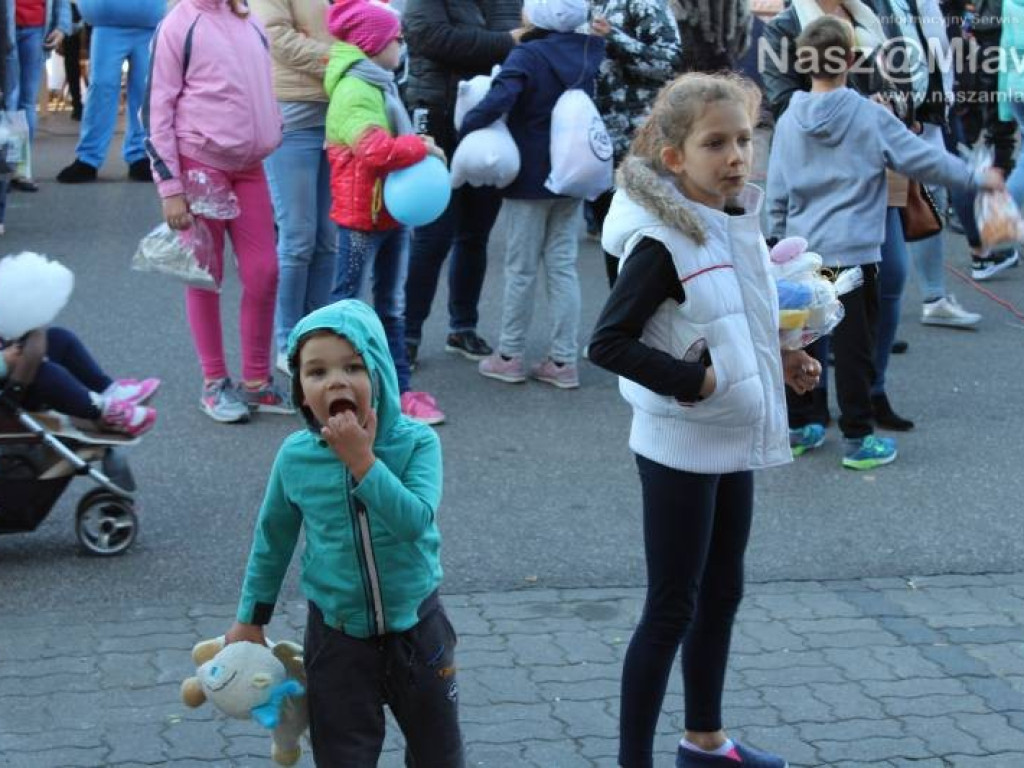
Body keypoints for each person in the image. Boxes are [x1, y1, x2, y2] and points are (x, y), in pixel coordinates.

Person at [589, 71, 820, 768]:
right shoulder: (661, 240)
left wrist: (782, 357)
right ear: (674, 158)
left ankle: (705, 740)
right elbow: (609, 343)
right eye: (716, 143)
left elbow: (727, 315)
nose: (736, 157)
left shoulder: (729, 219)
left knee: (723, 592)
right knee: (670, 609)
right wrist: (696, 380)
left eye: (744, 140)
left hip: (729, 439)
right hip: (680, 446)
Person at [224, 299, 464, 767]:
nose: (335, 380)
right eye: (316, 372)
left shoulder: (417, 443)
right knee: (342, 757)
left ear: (379, 374)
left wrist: (362, 461)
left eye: (353, 366)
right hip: (337, 640)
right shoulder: (296, 457)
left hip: (418, 629)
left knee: (439, 754)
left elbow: (414, 521)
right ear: (299, 391)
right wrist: (250, 616)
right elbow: (272, 540)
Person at [766, 17, 1002, 469]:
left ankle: (801, 426)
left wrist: (776, 240)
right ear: (852, 60)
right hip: (854, 251)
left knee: (802, 338)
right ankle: (858, 438)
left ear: (801, 62)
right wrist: (976, 178)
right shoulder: (869, 115)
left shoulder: (790, 117)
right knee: (855, 347)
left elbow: (777, 186)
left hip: (802, 252)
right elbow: (924, 160)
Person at [144, 0, 291, 424]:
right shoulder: (179, 23)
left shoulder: (248, 19)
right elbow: (156, 109)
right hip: (199, 164)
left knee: (265, 272)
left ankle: (257, 383)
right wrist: (170, 187)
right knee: (205, 276)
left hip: (250, 168)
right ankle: (214, 382)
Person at [463, 0, 604, 390]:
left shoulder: (527, 54)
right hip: (572, 173)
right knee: (562, 266)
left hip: (528, 176)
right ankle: (563, 360)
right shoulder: (589, 51)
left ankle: (509, 355)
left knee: (520, 269)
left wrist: (467, 127)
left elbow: (498, 100)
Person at [323, 0, 447, 425]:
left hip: (389, 216)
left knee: (391, 306)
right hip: (360, 222)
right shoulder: (354, 90)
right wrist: (422, 147)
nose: (401, 44)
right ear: (373, 44)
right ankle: (333, 391)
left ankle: (398, 390)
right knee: (346, 306)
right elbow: (374, 150)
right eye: (396, 38)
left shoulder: (380, 82)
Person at [400, 0, 525, 370]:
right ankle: (406, 332)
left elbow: (525, 38)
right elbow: (433, 38)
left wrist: (505, 40)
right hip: (436, 114)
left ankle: (463, 327)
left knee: (476, 232)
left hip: (491, 119)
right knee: (433, 234)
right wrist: (506, 41)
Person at [249, 0, 337, 376]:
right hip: (294, 113)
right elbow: (276, 37)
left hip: (339, 109)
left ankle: (318, 335)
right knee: (299, 235)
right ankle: (288, 342)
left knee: (329, 237)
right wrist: (340, 58)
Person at [590, 0, 681, 288]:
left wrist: (613, 37)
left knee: (642, 239)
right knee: (613, 240)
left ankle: (641, 323)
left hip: (639, 146)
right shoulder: (587, 4)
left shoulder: (645, 4)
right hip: (596, 144)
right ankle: (620, 320)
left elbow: (668, 63)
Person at [55, 0, 164, 183]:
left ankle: (140, 154)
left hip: (148, 22)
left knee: (145, 91)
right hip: (108, 23)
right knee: (101, 88)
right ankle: (89, 158)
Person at [1, 327, 158, 436]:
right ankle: (104, 412)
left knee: (58, 338)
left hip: (12, 368)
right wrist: (4, 361)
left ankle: (109, 390)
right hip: (8, 395)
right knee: (47, 374)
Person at [4, 0, 71, 191]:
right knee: (10, 99)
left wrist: (61, 26)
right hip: (6, 26)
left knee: (26, 101)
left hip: (37, 28)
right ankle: (7, 169)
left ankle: (20, 169)